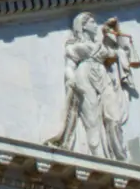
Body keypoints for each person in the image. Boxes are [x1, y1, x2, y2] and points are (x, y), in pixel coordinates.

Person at [50, 12, 132, 160]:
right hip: (84, 76)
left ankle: (119, 155)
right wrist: (72, 80)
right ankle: (97, 155)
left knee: (114, 117)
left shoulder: (100, 46)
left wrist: (113, 33)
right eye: (92, 22)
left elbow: (116, 51)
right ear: (83, 26)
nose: (96, 25)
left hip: (102, 76)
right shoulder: (75, 46)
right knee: (92, 119)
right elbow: (69, 66)